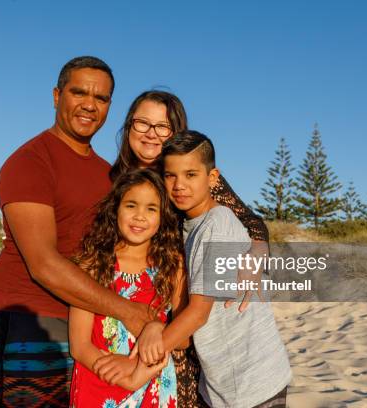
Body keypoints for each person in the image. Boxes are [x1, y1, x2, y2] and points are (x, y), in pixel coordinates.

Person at [0, 56, 153, 408]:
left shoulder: (109, 174)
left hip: (89, 325)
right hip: (33, 320)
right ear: (57, 95)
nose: (90, 104)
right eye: (79, 92)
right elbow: (43, 264)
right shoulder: (31, 162)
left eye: (101, 98)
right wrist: (128, 311)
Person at [107, 90, 271, 407]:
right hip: (126, 310)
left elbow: (253, 224)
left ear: (176, 132)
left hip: (182, 313)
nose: (151, 134)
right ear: (128, 127)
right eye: (142, 123)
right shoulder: (114, 181)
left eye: (163, 126)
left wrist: (257, 259)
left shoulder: (186, 179)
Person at [136, 130, 292, 408]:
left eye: (191, 175)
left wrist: (137, 366)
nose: (179, 185)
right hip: (222, 383)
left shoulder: (216, 225)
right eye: (171, 176)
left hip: (253, 384)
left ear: (212, 178)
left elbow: (197, 313)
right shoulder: (190, 227)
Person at [69, 168, 187, 407]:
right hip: (100, 382)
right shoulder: (93, 264)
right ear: (115, 210)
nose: (140, 216)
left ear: (163, 216)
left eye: (151, 208)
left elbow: (183, 339)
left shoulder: (172, 265)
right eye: (131, 205)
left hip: (153, 382)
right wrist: (129, 378)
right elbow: (79, 345)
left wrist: (157, 327)